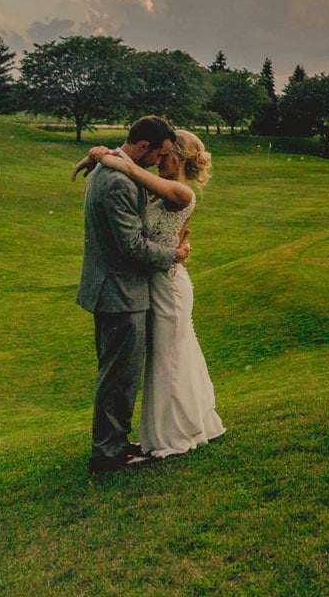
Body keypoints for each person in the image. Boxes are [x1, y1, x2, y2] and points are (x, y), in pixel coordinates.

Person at [75, 128, 225, 460]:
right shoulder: (156, 190)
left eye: (165, 157)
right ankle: (163, 430)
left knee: (169, 358)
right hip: (146, 284)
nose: (159, 162)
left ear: (181, 158)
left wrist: (104, 156)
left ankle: (174, 432)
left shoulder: (181, 192)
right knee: (161, 358)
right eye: (157, 155)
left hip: (167, 285)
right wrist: (101, 154)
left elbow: (130, 168)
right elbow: (130, 169)